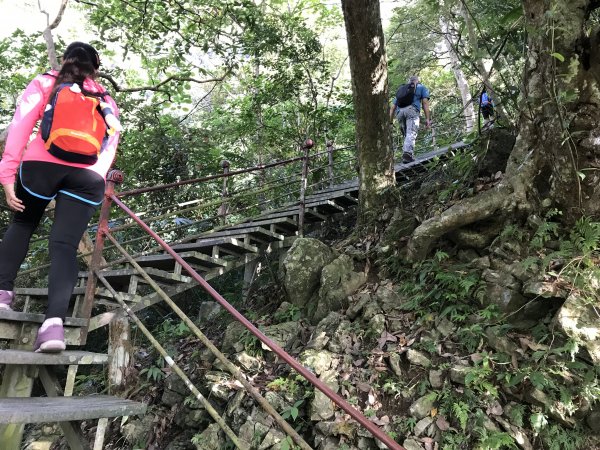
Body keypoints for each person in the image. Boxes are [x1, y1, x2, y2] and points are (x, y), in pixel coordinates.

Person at [0, 42, 120, 352]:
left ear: (65, 59)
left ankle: (2, 296)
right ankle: (53, 327)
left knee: (24, 224)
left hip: (41, 167)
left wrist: (7, 174)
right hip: (88, 176)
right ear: (95, 67)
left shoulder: (45, 82)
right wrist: (95, 172)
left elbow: (20, 127)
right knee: (65, 245)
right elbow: (111, 141)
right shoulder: (104, 97)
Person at [389, 75, 431, 163]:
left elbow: (392, 107)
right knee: (411, 133)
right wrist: (427, 119)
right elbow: (425, 102)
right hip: (412, 110)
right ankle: (407, 154)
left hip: (399, 113)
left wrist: (390, 122)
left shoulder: (402, 89)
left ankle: (407, 154)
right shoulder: (421, 87)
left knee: (406, 134)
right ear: (418, 81)